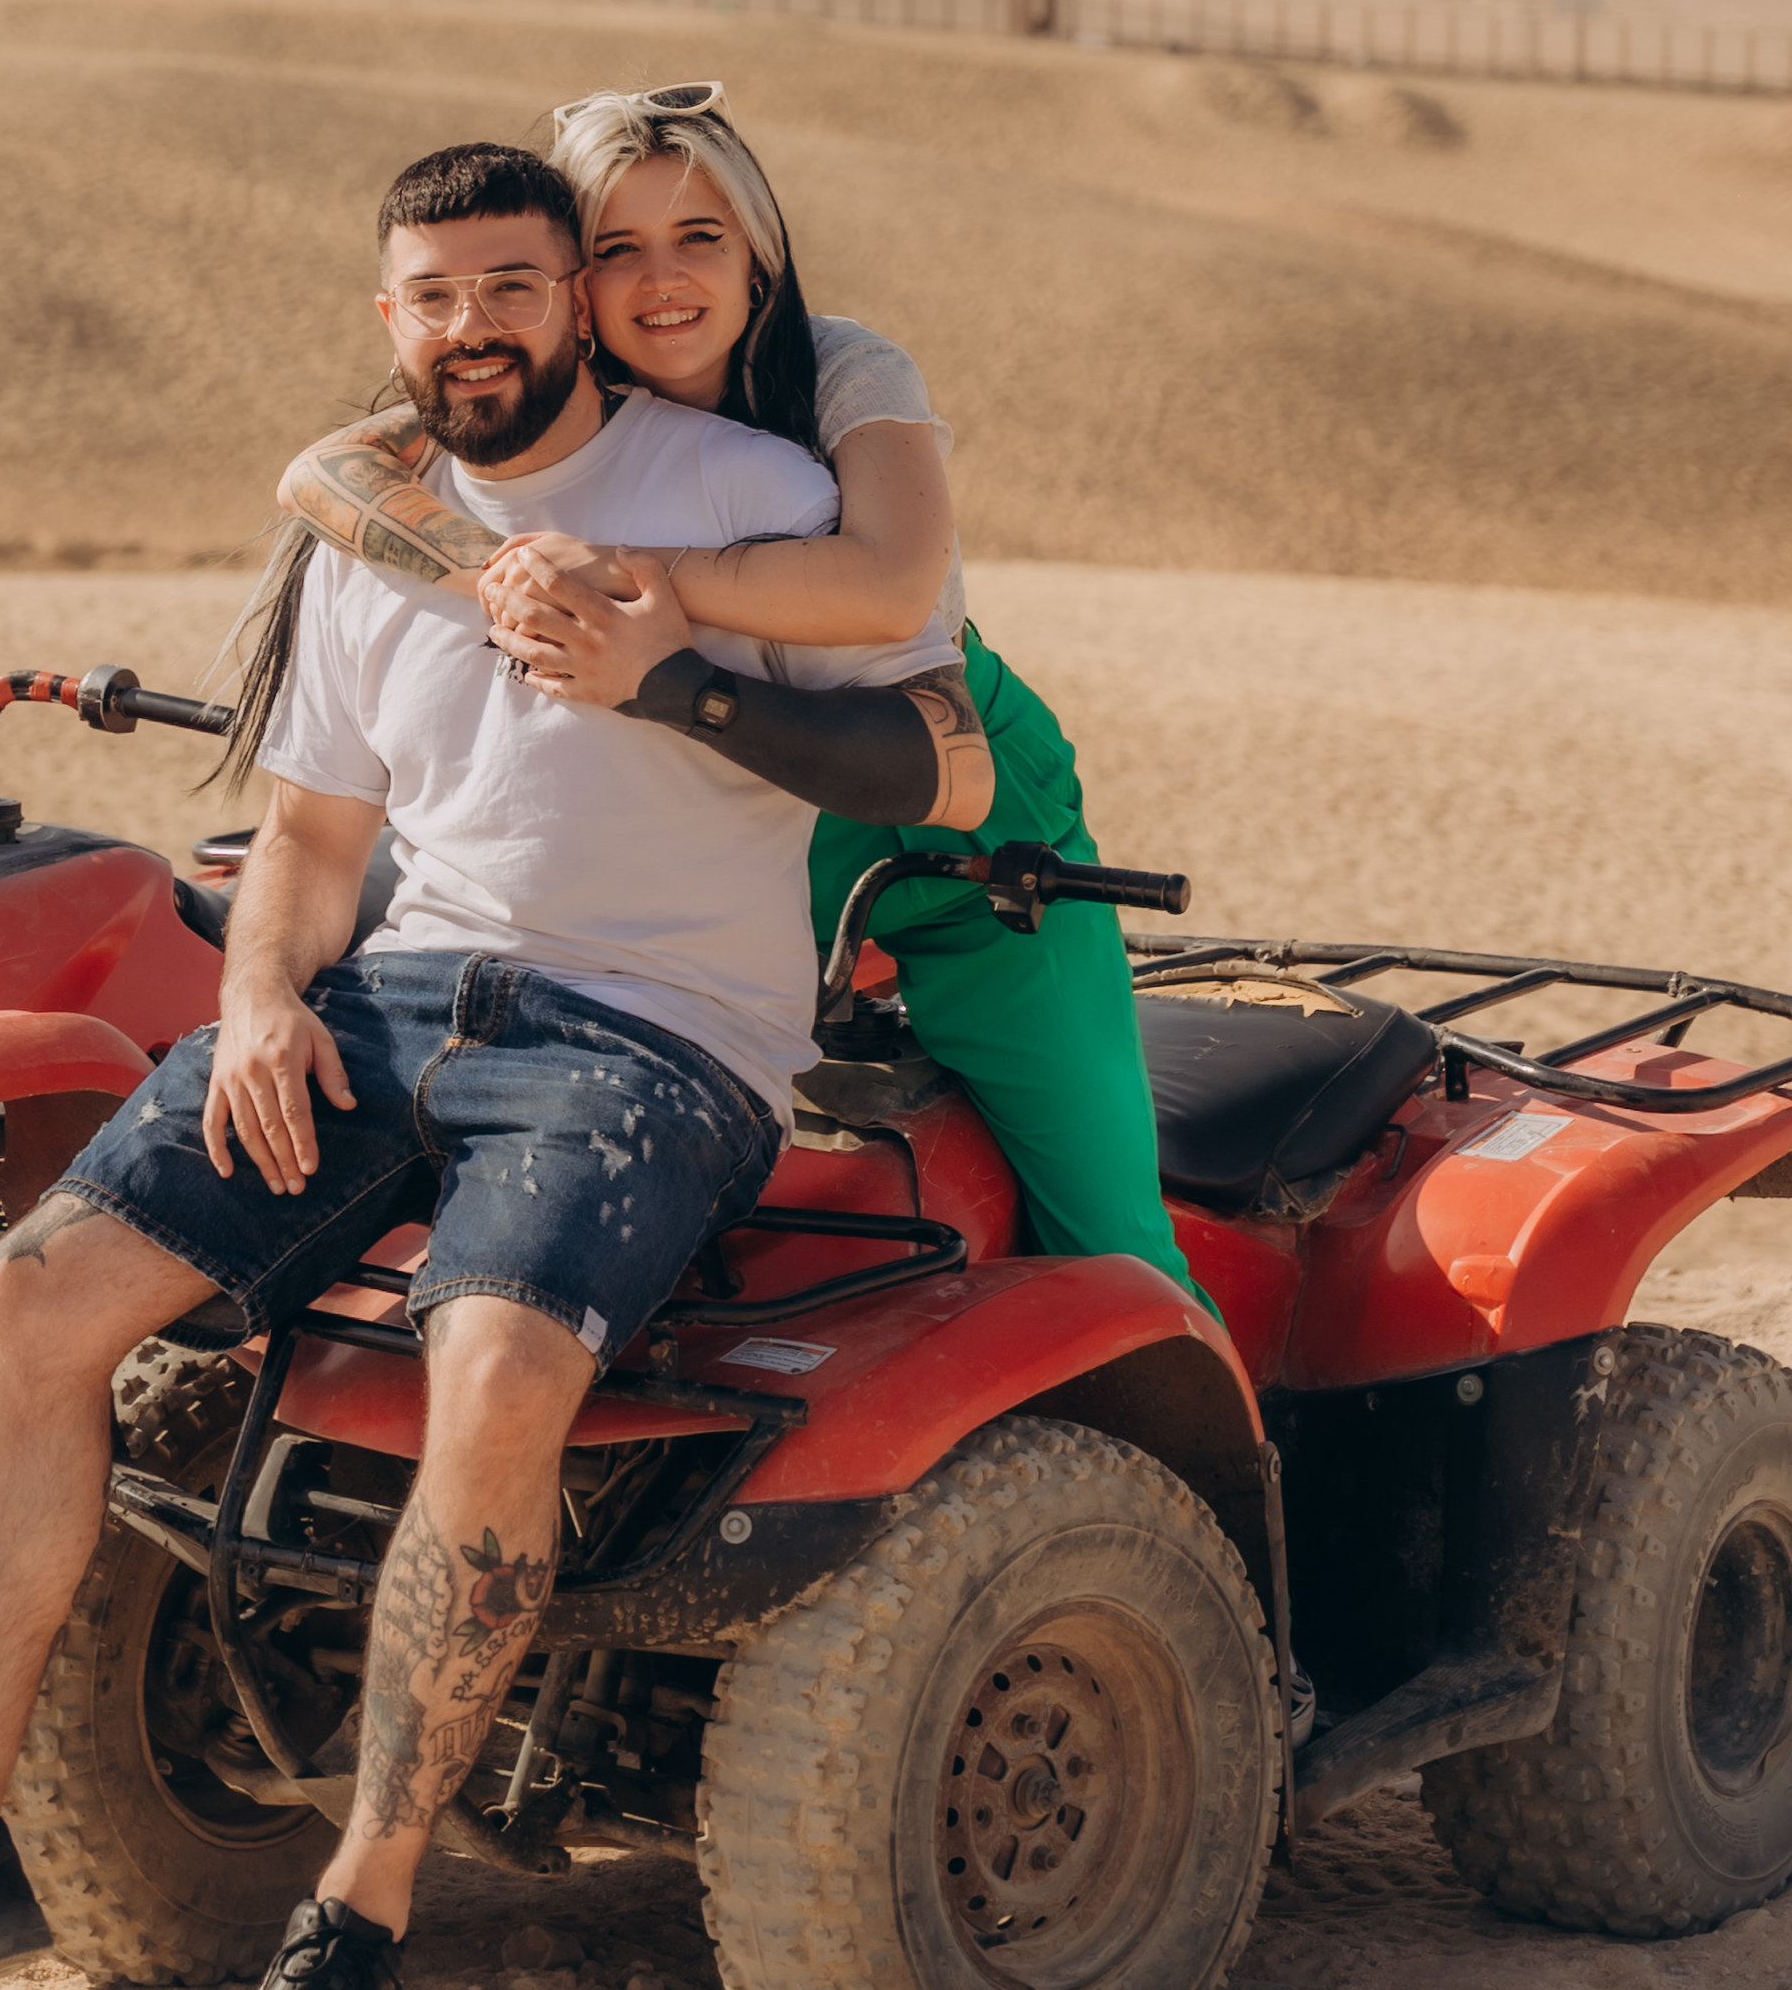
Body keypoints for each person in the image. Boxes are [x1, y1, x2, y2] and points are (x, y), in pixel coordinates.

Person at [0, 137, 990, 1990]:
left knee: (487, 1364)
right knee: (29, 1293)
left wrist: (671, 670)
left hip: (656, 1032)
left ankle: (354, 1916)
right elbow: (313, 838)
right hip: (395, 999)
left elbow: (950, 758)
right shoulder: (371, 524)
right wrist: (254, 999)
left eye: (510, 284)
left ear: (573, 297)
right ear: (386, 314)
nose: (472, 325)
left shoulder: (739, 497)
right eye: (431, 294)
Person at [279, 78, 1194, 1294]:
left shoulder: (841, 369)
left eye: (699, 236)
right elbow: (323, 472)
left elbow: (888, 587)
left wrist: (614, 574)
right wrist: (512, 580)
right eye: (617, 249)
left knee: (1101, 1216)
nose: (664, 279)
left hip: (951, 798)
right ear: (569, 284)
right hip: (707, 781)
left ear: (759, 251)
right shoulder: (555, 386)